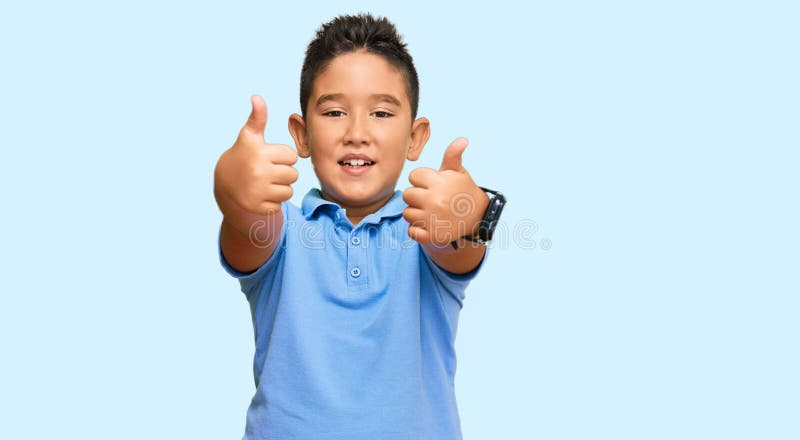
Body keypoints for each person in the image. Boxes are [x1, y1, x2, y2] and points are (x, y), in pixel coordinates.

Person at [214, 13, 502, 439]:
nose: (357, 133)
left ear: (415, 138)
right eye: (334, 111)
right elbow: (249, 228)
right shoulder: (284, 229)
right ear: (302, 133)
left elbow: (458, 248)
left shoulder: (426, 229)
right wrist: (233, 190)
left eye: (382, 113)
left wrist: (469, 216)